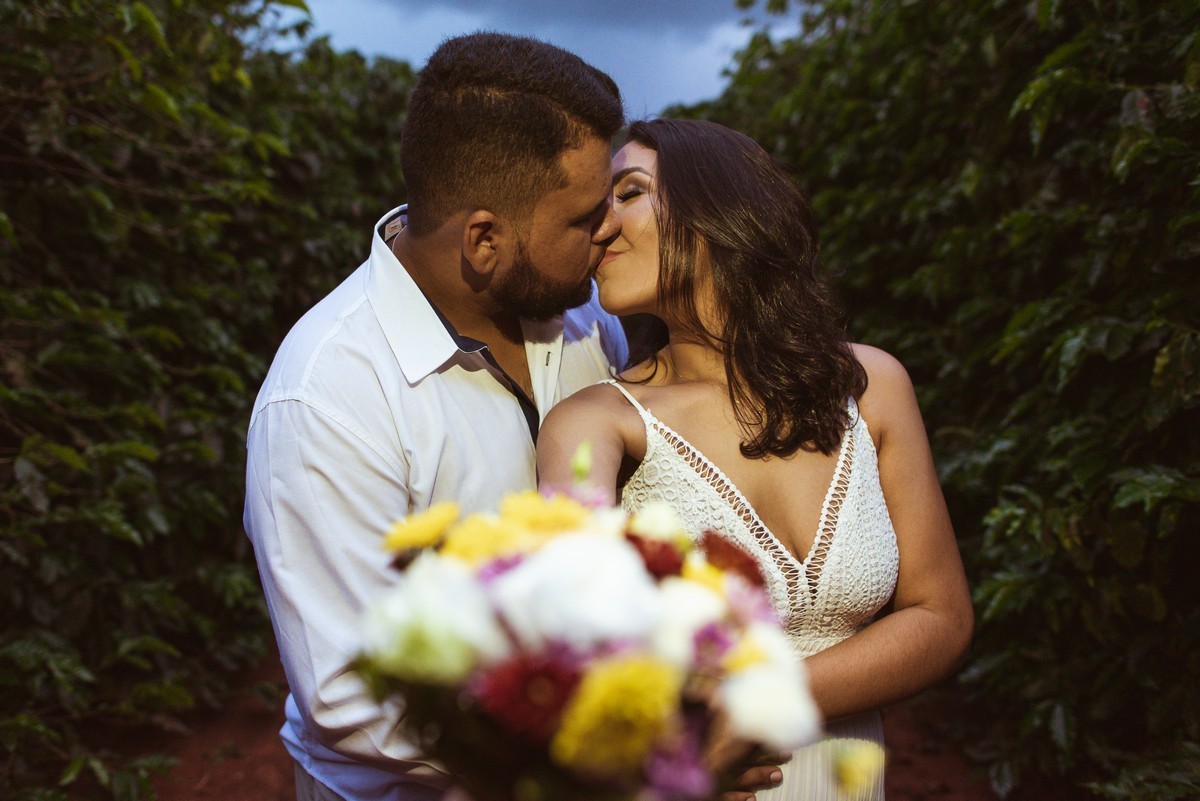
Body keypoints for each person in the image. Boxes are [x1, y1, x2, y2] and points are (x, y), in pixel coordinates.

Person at [537, 118, 975, 801]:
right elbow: (572, 651)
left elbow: (942, 617)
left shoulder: (872, 386)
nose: (603, 228)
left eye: (629, 192)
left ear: (719, 206)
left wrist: (760, 700)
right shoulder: (597, 424)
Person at [242, 33, 632, 801]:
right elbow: (356, 698)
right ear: (485, 241)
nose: (608, 230)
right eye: (586, 217)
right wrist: (616, 760)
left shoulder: (590, 324)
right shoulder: (327, 396)